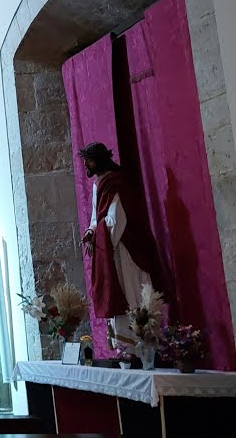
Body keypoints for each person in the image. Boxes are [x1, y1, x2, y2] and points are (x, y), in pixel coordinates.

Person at [79, 142, 164, 347]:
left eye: (89, 161)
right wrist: (91, 232)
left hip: (126, 248)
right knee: (120, 293)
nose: (86, 165)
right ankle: (126, 349)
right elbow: (96, 217)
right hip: (111, 248)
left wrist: (98, 236)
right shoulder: (98, 184)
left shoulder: (116, 182)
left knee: (131, 292)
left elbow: (117, 219)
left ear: (97, 160)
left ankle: (140, 346)